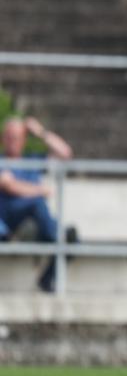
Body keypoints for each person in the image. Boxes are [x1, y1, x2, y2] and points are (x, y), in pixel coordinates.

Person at [0, 116, 74, 292]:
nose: (12, 141)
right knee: (37, 203)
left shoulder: (32, 160)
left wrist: (40, 132)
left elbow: (65, 154)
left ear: (24, 139)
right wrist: (40, 190)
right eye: (9, 136)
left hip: (34, 224)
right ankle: (54, 236)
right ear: (3, 139)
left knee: (72, 239)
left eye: (17, 137)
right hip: (6, 222)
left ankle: (47, 279)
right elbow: (8, 184)